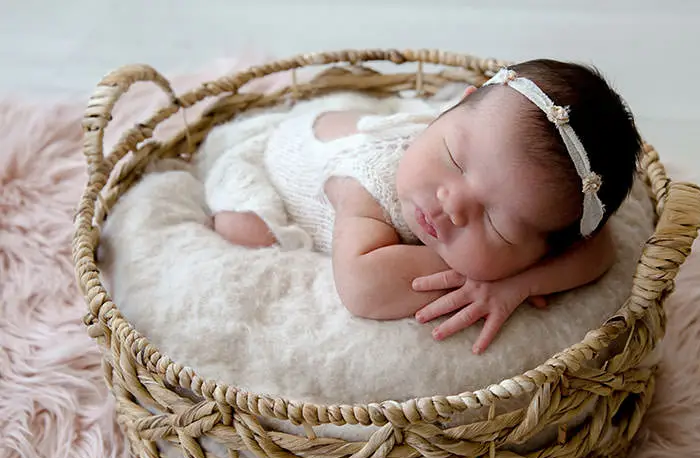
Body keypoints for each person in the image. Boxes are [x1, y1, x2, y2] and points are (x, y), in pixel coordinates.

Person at [209, 59, 643, 354]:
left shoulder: (485, 152)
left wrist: (517, 284)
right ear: (455, 105)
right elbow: (363, 288)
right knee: (243, 228)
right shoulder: (368, 185)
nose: (452, 204)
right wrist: (497, 266)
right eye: (454, 160)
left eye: (496, 222)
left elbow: (600, 247)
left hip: (374, 130)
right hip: (278, 163)